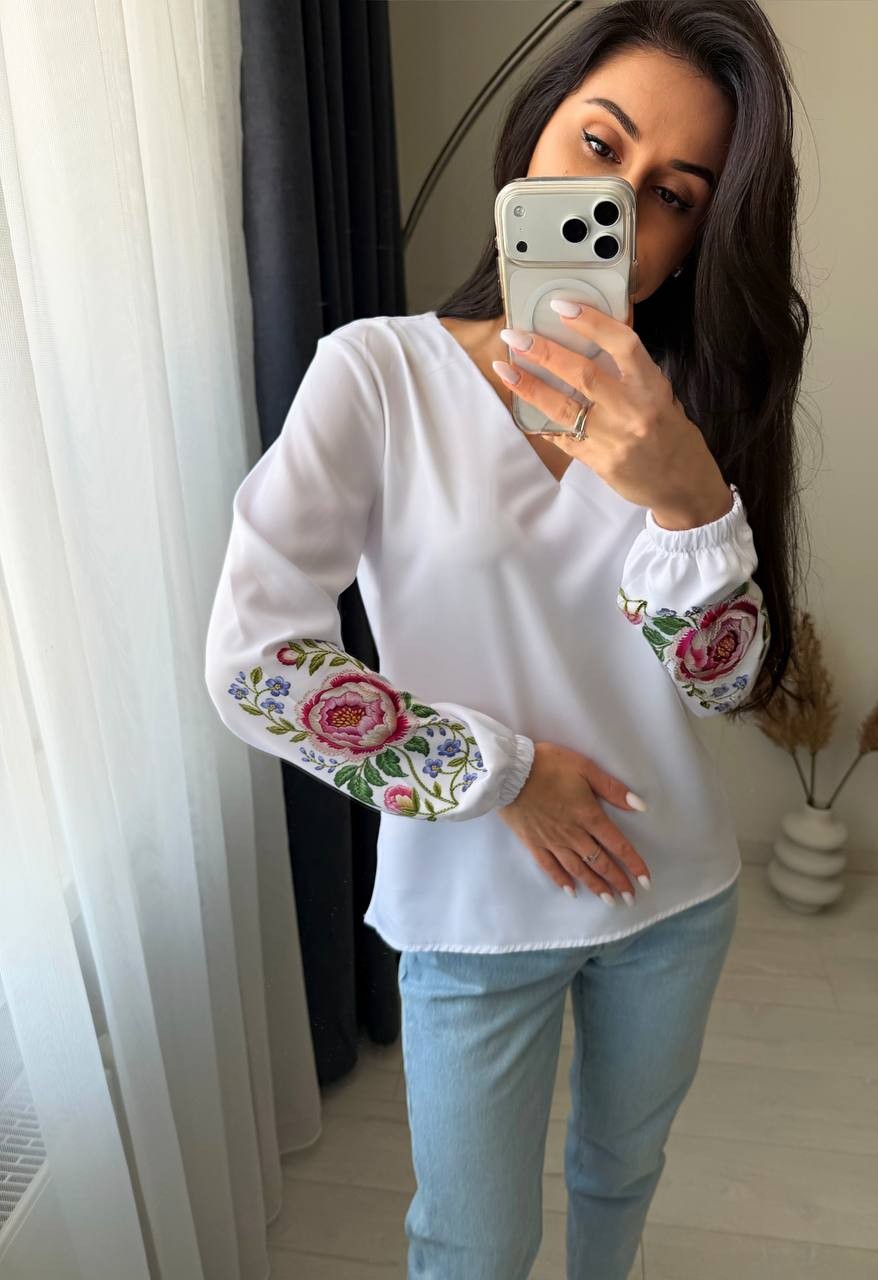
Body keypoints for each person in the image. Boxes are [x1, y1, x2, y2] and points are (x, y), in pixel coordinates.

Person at [204, 1, 809, 1275]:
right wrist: (504, 772)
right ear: (535, 133)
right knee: (470, 1244)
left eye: (673, 195)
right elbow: (256, 664)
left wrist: (688, 494)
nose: (619, 204)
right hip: (473, 904)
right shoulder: (378, 375)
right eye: (599, 143)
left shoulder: (696, 408)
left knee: (621, 1172)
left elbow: (725, 688)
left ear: (696, 240)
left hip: (674, 891)